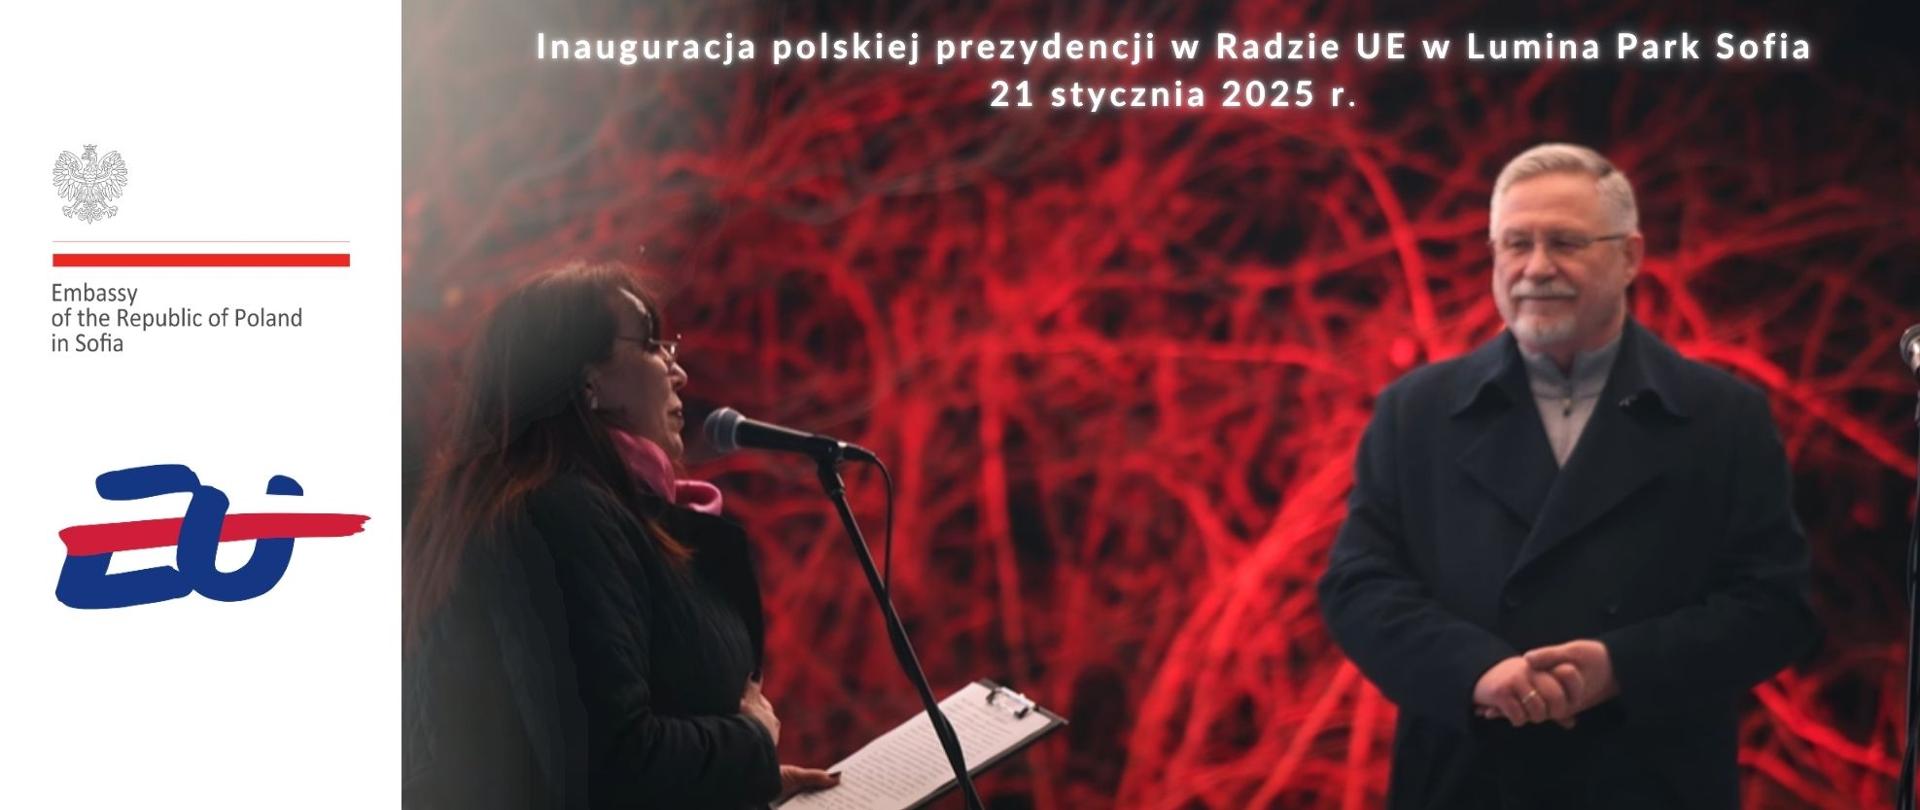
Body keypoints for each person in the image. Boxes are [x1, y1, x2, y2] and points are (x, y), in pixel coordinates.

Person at [1318, 143, 1818, 809]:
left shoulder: (1723, 416)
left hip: (1652, 783)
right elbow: (1359, 587)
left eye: (1565, 242)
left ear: (1631, 257)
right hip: (1466, 781)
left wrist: (1620, 668)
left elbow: (1775, 607)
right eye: (1515, 243)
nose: (1536, 267)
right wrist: (1477, 671)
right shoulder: (1415, 411)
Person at [402, 262, 839, 808]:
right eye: (653, 346)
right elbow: (608, 766)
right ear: (590, 382)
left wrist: (746, 781)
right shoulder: (556, 515)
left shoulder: (591, 515)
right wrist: (749, 740)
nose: (679, 373)